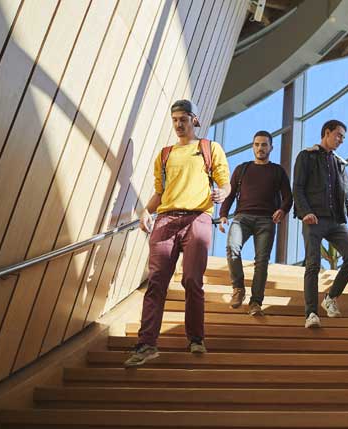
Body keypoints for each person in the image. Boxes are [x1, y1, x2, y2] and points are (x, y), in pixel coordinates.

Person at [124, 99, 231, 367]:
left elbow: (225, 183)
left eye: (183, 119)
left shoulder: (209, 148)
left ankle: (196, 339)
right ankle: (146, 344)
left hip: (198, 218)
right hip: (166, 220)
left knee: (193, 281)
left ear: (194, 120)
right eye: (174, 120)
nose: (179, 125)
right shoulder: (165, 154)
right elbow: (160, 193)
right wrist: (145, 211)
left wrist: (223, 192)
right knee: (156, 282)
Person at [293, 119, 348, 328]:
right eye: (339, 135)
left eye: (343, 137)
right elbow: (297, 187)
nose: (341, 140)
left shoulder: (340, 164)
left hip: (335, 221)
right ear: (327, 132)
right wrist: (305, 212)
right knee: (313, 264)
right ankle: (311, 314)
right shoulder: (307, 155)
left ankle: (330, 297)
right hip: (313, 219)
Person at [218, 130, 293, 316]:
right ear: (253, 147)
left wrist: (282, 210)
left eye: (264, 145)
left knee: (262, 261)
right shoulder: (242, 169)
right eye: (257, 144)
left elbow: (288, 197)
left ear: (271, 147)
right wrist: (223, 214)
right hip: (242, 217)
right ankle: (238, 289)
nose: (260, 148)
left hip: (266, 221)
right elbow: (231, 192)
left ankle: (255, 302)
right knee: (232, 247)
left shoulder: (277, 171)